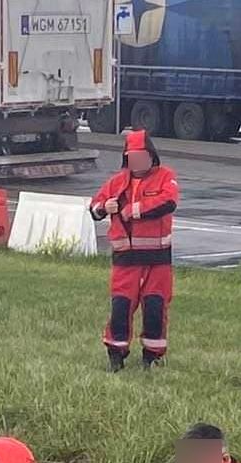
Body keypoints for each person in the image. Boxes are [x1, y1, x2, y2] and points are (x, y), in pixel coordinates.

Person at [89, 128, 180, 372]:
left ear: (151, 156)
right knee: (121, 306)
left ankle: (153, 356)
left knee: (155, 306)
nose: (137, 161)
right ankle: (116, 354)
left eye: (142, 155)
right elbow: (94, 208)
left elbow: (168, 201)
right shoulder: (116, 182)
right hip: (125, 259)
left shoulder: (165, 176)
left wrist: (134, 210)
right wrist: (104, 207)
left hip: (157, 260)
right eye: (133, 156)